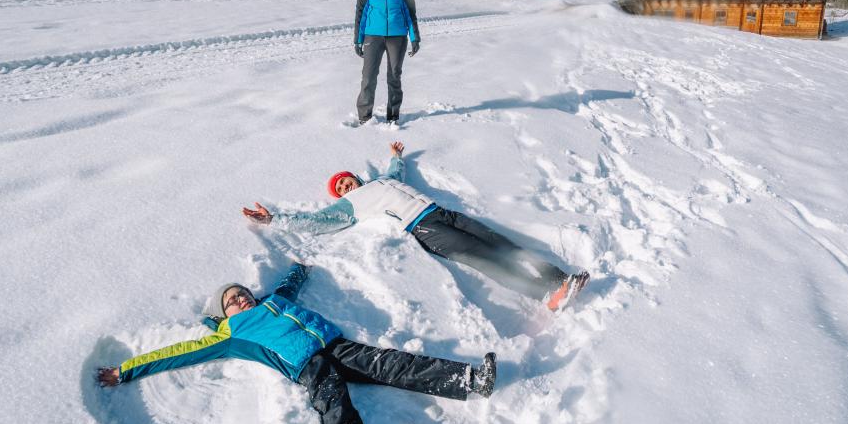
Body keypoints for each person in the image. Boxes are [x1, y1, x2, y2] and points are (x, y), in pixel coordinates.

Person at [95, 262, 496, 424]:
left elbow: (289, 283)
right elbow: (176, 354)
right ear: (222, 313)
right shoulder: (228, 335)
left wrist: (297, 270)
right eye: (231, 300)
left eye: (242, 293)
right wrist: (126, 370)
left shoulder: (276, 300)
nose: (240, 299)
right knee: (337, 412)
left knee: (393, 363)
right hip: (309, 366)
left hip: (338, 346)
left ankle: (468, 380)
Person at [242, 141, 590, 311]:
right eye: (341, 189)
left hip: (442, 212)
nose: (346, 187)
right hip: (425, 230)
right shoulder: (349, 207)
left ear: (356, 177)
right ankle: (545, 295)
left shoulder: (380, 182)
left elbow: (397, 173)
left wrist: (395, 155)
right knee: (486, 259)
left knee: (502, 243)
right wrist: (274, 218)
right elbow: (316, 223)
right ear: (340, 196)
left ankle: (559, 278)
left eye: (347, 181)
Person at [353, 0, 419, 125]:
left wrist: (414, 38)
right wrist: (358, 40)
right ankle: (364, 117)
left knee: (394, 76)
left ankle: (393, 116)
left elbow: (410, 11)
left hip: (397, 37)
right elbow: (360, 12)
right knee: (368, 76)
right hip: (372, 36)